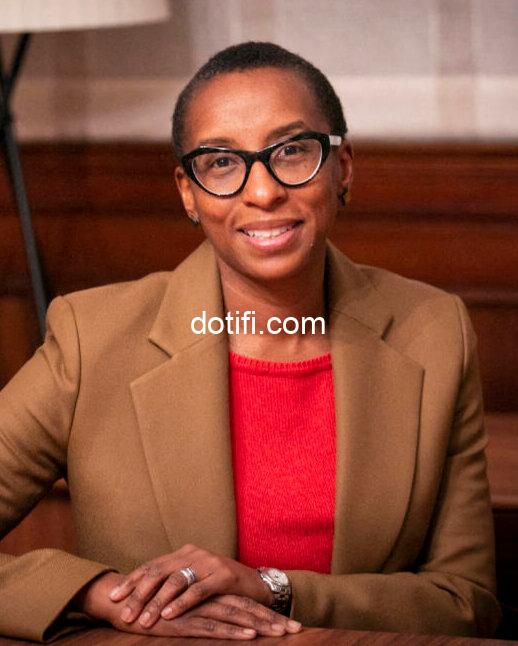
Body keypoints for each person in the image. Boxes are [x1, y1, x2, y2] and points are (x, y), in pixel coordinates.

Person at [0, 41, 501, 641]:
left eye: (291, 151)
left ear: (342, 167)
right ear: (187, 191)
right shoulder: (93, 337)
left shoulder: (435, 331)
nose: (262, 192)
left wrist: (273, 589)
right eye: (220, 163)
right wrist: (97, 591)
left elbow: (465, 602)